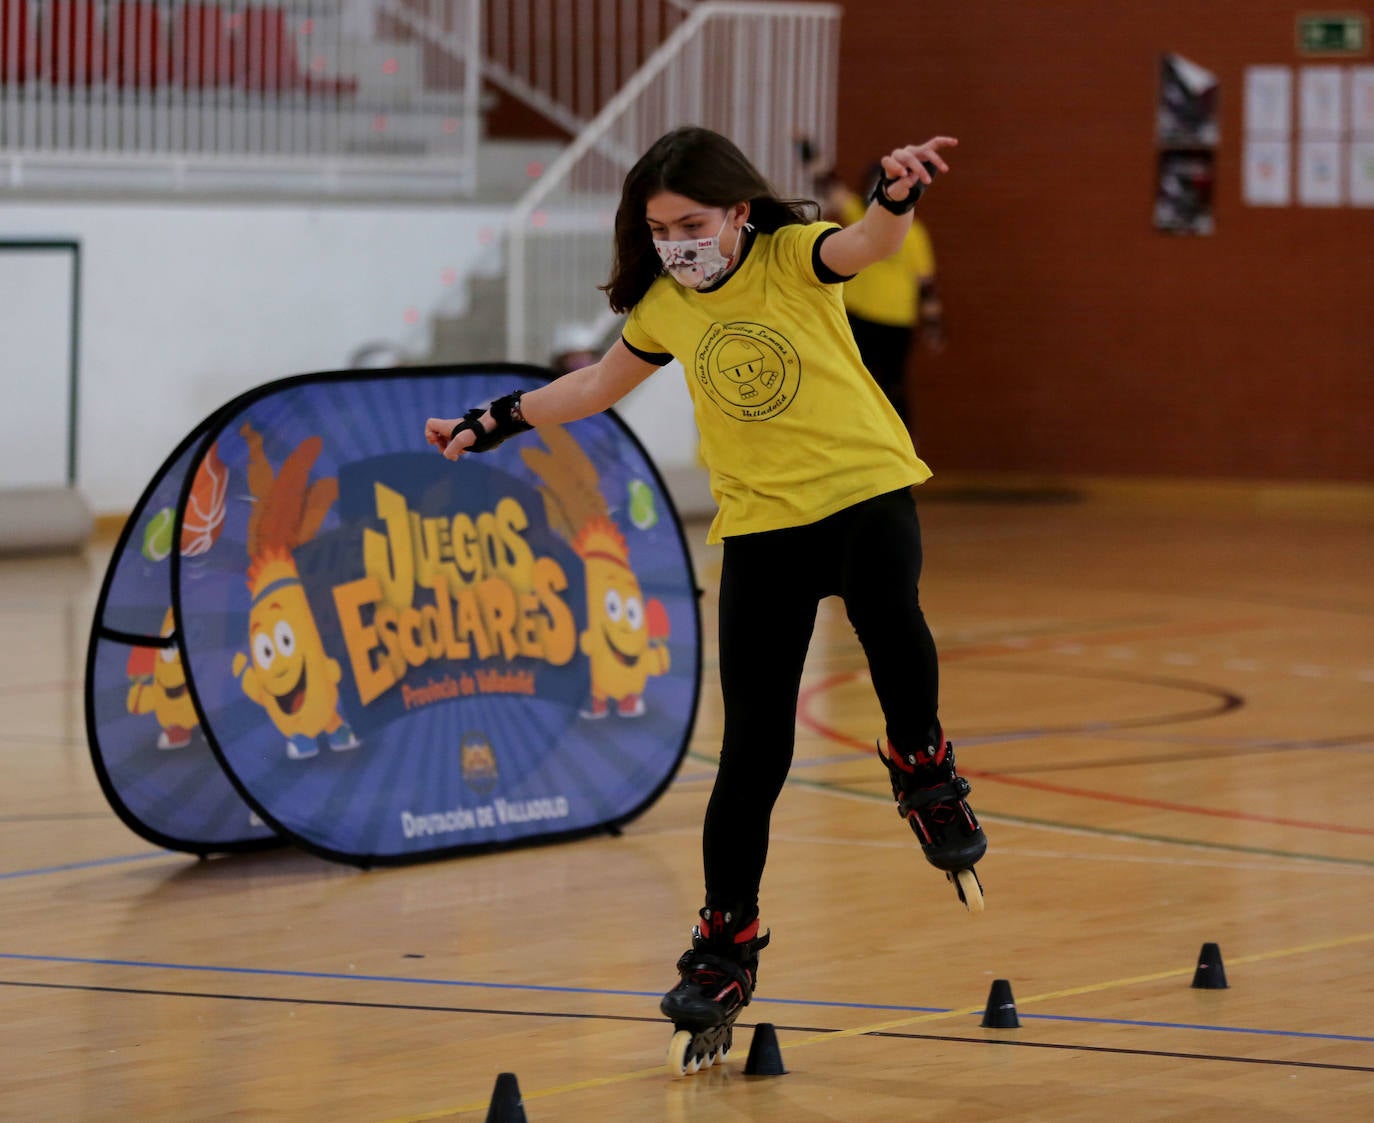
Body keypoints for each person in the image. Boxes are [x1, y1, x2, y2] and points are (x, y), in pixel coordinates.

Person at [424, 125, 986, 1073]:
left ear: (737, 214)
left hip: (863, 490)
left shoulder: (790, 253)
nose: (676, 242)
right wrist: (496, 421)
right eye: (657, 227)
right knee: (752, 754)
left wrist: (895, 197)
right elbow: (601, 383)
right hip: (762, 527)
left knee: (893, 623)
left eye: (692, 223)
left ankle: (922, 766)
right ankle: (728, 940)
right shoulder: (661, 303)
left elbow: (865, 247)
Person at [811, 158, 945, 435]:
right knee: (859, 381)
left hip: (891, 321)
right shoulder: (867, 220)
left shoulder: (911, 232)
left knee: (889, 384)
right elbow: (831, 187)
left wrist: (934, 324)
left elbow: (925, 285)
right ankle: (859, 440)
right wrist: (806, 149)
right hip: (862, 317)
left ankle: (902, 445)